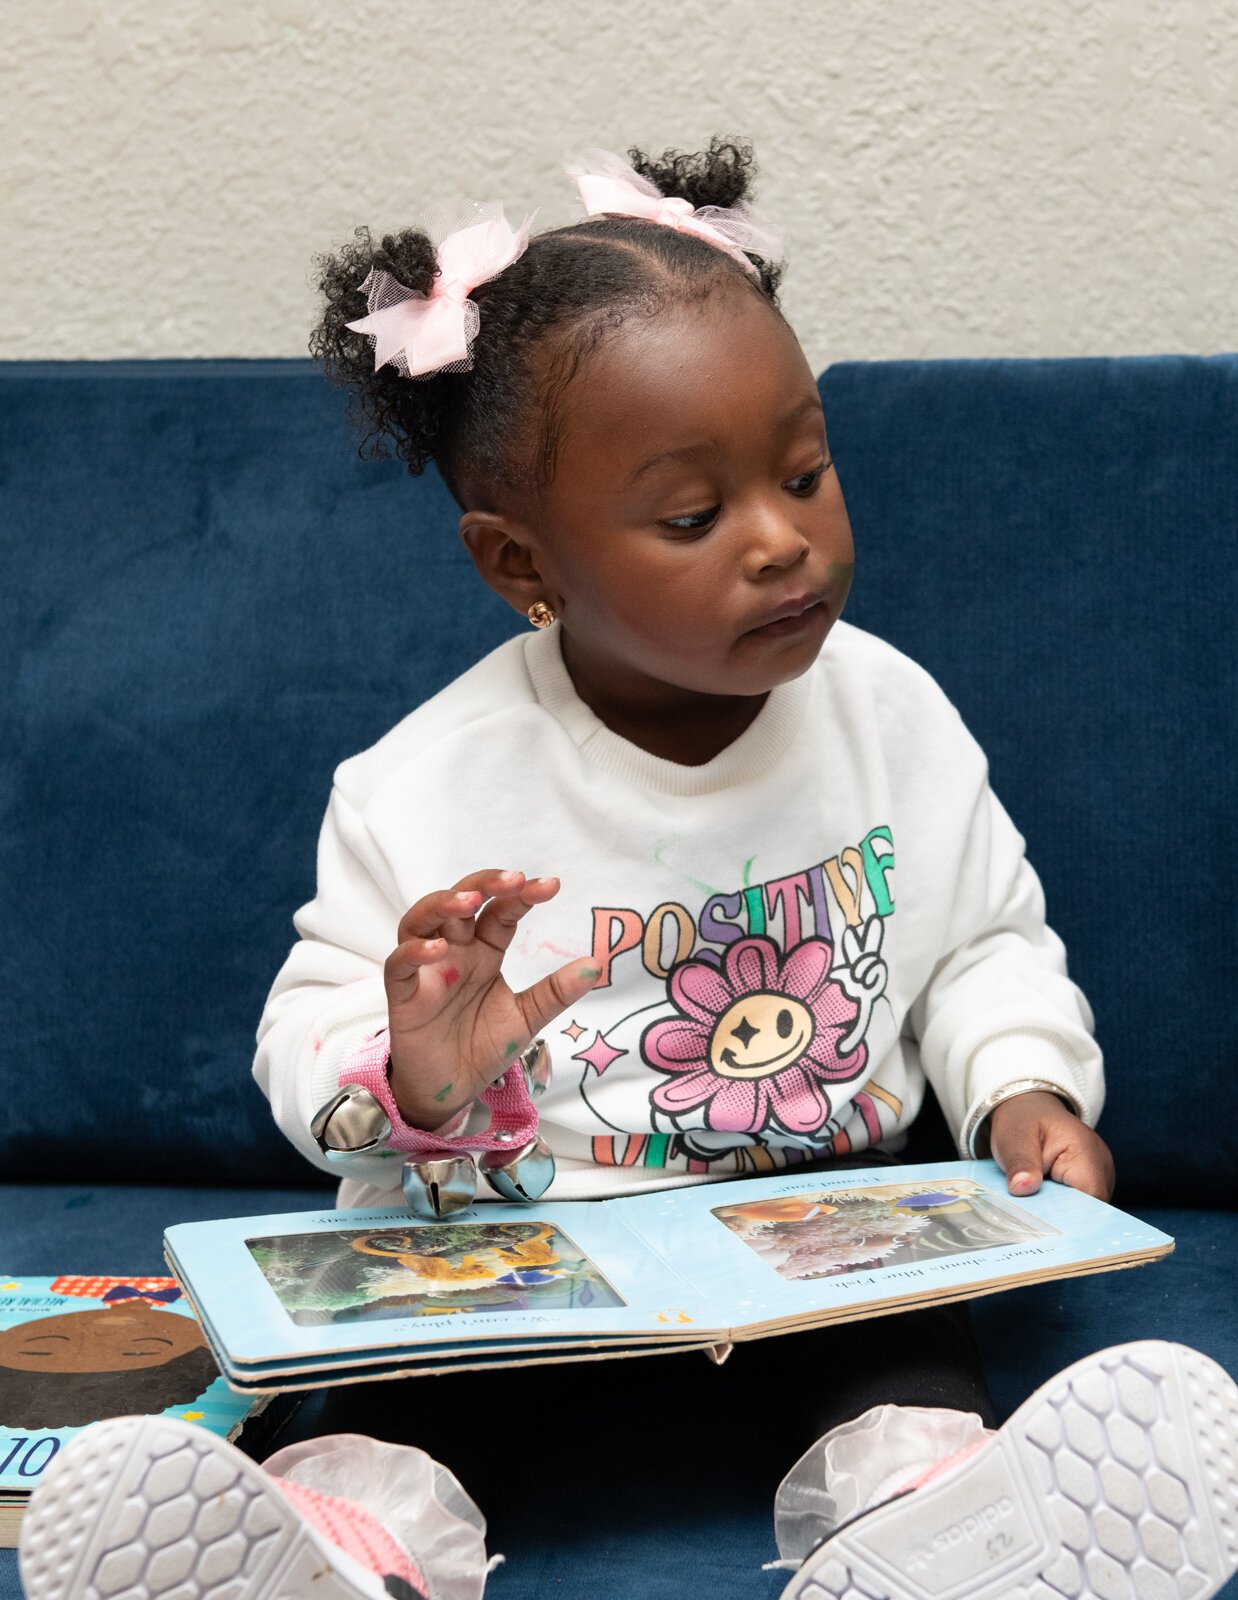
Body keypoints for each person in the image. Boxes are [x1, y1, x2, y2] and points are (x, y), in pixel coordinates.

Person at [21, 140, 1236, 1600]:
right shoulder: (419, 784)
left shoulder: (890, 712)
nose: (784, 542)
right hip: (511, 1253)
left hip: (821, 1231)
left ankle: (940, 1526)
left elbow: (981, 944)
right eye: (690, 516)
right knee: (403, 1413)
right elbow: (309, 1047)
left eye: (803, 468)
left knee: (909, 1372)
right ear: (517, 562)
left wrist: (1022, 1086)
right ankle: (334, 1552)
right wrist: (415, 1070)